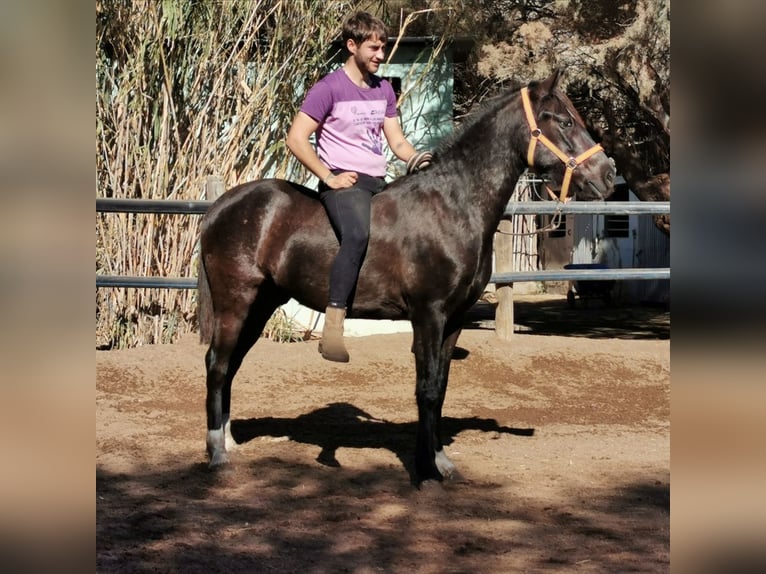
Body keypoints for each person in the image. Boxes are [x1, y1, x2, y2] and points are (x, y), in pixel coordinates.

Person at [286, 11, 432, 363]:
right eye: (374, 48)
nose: (381, 56)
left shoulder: (384, 89)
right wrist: (328, 175)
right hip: (343, 184)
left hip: (377, 182)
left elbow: (396, 142)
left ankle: (425, 326)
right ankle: (333, 328)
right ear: (352, 46)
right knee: (356, 235)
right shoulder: (329, 88)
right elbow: (296, 138)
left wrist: (419, 160)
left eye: (382, 48)